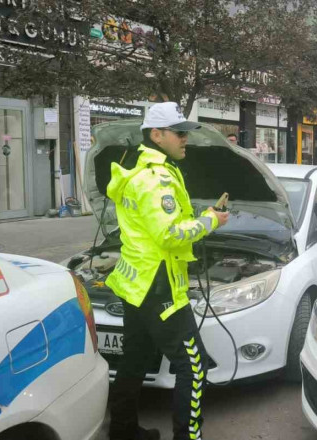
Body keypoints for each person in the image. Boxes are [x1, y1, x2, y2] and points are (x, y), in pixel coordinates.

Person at [106, 102, 230, 440]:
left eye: (185, 132)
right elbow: (169, 234)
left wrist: (201, 218)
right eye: (179, 132)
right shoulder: (157, 179)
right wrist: (210, 221)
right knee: (194, 367)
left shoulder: (136, 167)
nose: (185, 138)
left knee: (134, 360)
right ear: (157, 134)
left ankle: (123, 431)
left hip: (135, 285)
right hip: (160, 289)